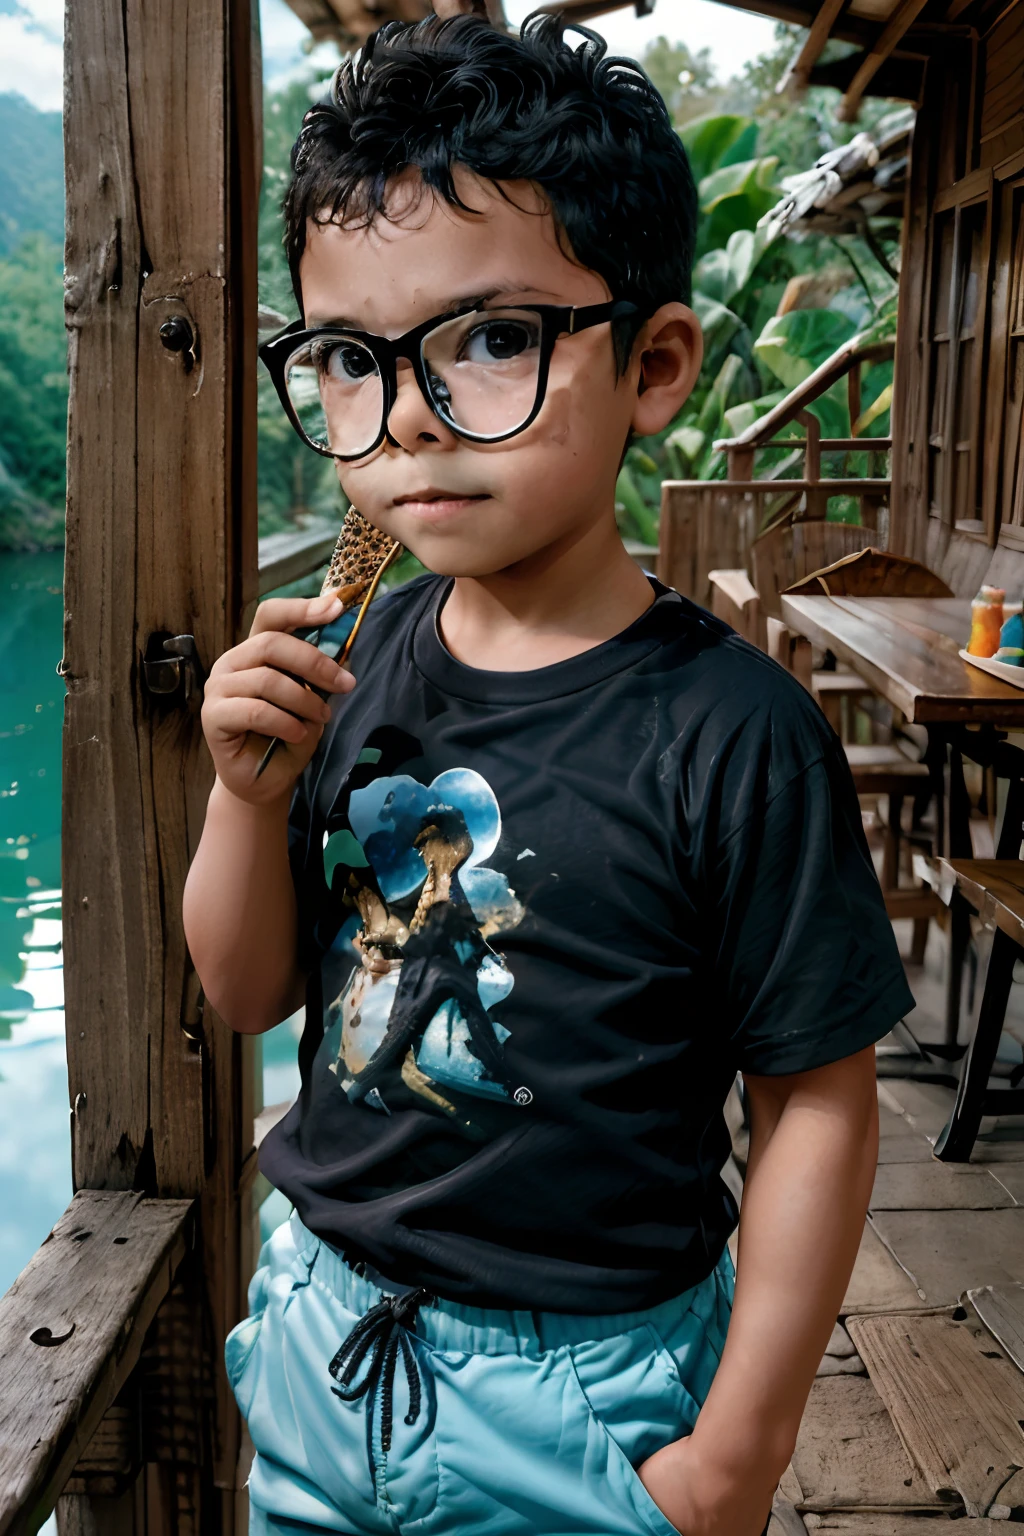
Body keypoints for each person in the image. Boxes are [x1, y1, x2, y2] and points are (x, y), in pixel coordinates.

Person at [182, 14, 914, 1535]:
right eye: (349, 362)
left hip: (586, 1393)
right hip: (323, 1332)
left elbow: (819, 1102)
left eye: (491, 340)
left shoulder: (734, 734)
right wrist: (247, 799)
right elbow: (251, 992)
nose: (406, 423)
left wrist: (738, 1455)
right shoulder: (359, 654)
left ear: (653, 364)